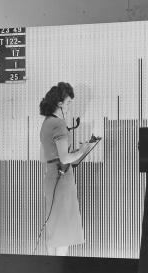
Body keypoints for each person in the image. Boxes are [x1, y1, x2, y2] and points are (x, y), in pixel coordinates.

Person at [39, 82, 88, 256]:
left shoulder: (46, 123)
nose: (68, 107)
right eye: (68, 103)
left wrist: (72, 153)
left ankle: (51, 269)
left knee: (53, 227)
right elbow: (65, 158)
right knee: (64, 230)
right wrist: (83, 150)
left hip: (51, 177)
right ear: (59, 103)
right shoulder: (59, 124)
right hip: (63, 179)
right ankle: (60, 270)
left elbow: (55, 155)